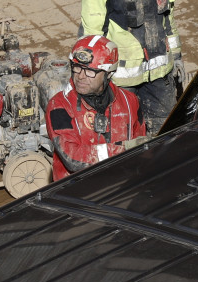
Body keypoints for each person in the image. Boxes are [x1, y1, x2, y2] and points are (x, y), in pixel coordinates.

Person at [46, 35, 147, 181]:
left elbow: (141, 146)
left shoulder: (130, 102)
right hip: (76, 191)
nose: (80, 76)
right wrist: (122, 149)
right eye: (77, 68)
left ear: (108, 73)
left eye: (90, 71)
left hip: (121, 184)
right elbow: (72, 157)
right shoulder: (59, 106)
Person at [81, 0, 181, 133]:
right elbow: (93, 33)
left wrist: (176, 56)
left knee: (166, 131)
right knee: (121, 133)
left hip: (160, 74)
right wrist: (95, 72)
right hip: (121, 79)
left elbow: (168, 17)